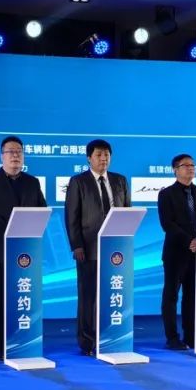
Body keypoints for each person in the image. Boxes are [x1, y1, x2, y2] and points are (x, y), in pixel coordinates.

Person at [0, 136, 47, 359]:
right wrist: (9, 228)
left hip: (26, 251)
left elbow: (42, 210)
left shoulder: (32, 182)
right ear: (2, 156)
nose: (15, 155)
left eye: (19, 152)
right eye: (10, 152)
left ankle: (23, 337)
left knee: (23, 294)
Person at [64, 139, 130, 355]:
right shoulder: (78, 182)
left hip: (116, 250)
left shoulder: (120, 180)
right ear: (89, 158)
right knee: (88, 296)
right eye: (99, 155)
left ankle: (111, 336)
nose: (103, 159)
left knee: (114, 293)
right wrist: (77, 246)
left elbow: (127, 213)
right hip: (88, 248)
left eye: (107, 155)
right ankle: (88, 341)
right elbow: (71, 217)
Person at [158, 153, 196, 350]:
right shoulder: (166, 194)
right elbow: (168, 224)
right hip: (175, 253)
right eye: (186, 165)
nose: (191, 168)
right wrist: (189, 240)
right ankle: (172, 337)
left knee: (192, 296)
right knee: (171, 295)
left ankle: (190, 335)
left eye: (193, 165)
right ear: (175, 170)